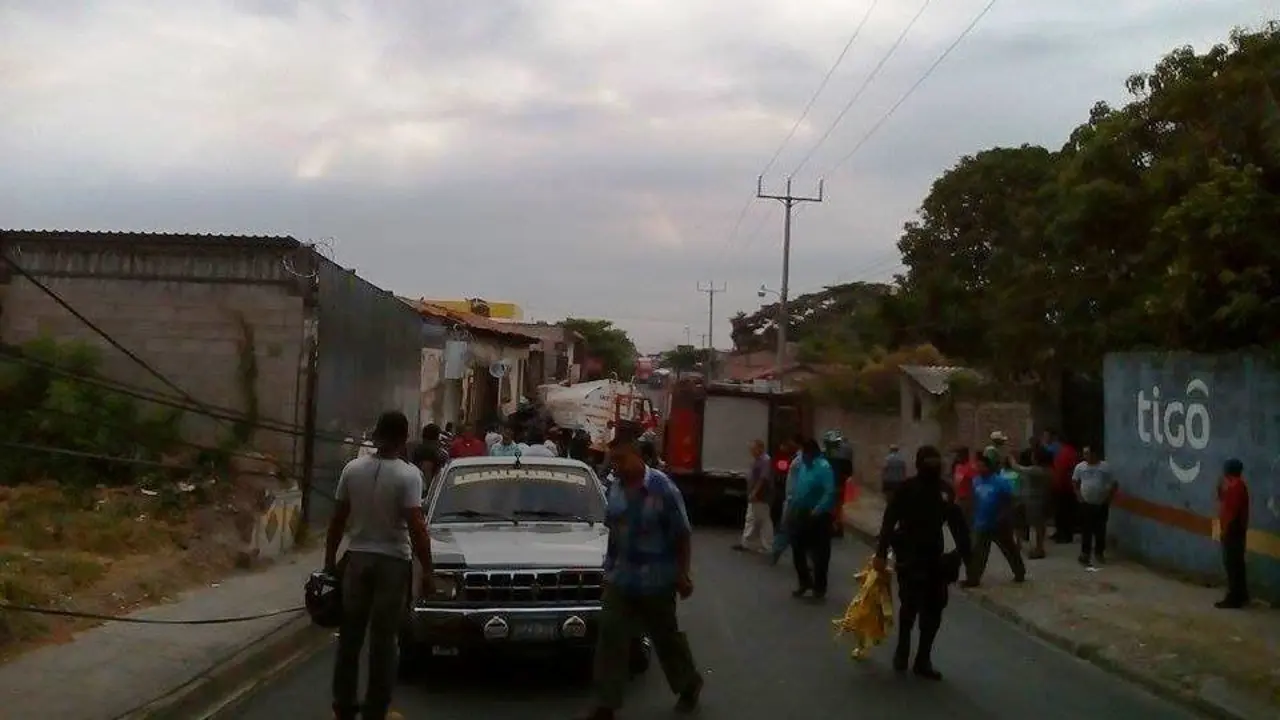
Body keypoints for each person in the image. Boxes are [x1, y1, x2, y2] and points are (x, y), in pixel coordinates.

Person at [578, 437, 703, 720]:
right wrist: (607, 571)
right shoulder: (615, 489)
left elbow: (682, 534)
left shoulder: (663, 488)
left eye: (621, 460)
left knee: (665, 638)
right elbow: (614, 534)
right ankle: (606, 703)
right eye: (614, 461)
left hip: (657, 581)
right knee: (611, 635)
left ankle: (689, 684)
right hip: (621, 578)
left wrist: (683, 574)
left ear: (638, 457)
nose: (616, 467)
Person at [325, 411, 432, 720]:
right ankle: (375, 709)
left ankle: (343, 705)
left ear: (376, 435)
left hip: (357, 559)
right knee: (384, 641)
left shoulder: (352, 469)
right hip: (393, 562)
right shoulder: (408, 475)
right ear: (403, 438)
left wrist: (329, 562)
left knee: (350, 637)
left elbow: (337, 520)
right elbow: (416, 527)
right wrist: (428, 570)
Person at [873, 445, 971, 680]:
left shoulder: (944, 491)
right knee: (909, 608)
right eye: (929, 463)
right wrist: (880, 552)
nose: (933, 467)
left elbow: (957, 524)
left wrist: (964, 554)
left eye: (936, 463)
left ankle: (923, 659)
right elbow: (889, 521)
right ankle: (902, 651)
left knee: (934, 610)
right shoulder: (906, 489)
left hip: (936, 559)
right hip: (910, 557)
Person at [962, 453, 1025, 587]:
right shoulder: (976, 481)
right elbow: (973, 500)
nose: (978, 468)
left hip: (999, 523)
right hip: (981, 522)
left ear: (988, 467)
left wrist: (1003, 516)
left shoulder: (1000, 481)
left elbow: (1010, 500)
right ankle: (973, 578)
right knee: (978, 552)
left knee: (1009, 549)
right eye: (977, 465)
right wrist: (970, 517)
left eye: (981, 466)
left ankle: (1019, 572)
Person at [788, 438, 837, 599]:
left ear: (811, 453)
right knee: (797, 547)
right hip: (801, 511)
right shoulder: (803, 466)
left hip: (819, 515)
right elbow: (799, 487)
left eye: (804, 452)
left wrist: (819, 509)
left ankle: (819, 587)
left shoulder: (823, 467)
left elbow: (829, 491)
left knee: (821, 553)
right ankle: (804, 581)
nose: (801, 455)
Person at [1073, 446, 1117, 567]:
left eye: (1088, 453)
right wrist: (1079, 496)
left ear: (1094, 454)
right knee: (1086, 529)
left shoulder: (1105, 467)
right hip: (1086, 503)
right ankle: (1085, 553)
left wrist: (1109, 498)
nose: (1086, 456)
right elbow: (1075, 482)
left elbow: (1114, 484)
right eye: (1084, 454)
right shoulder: (1080, 467)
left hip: (1101, 503)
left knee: (1100, 529)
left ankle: (1099, 552)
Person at [1216, 458, 1250, 609]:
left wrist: (1225, 530)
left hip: (1233, 530)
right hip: (1236, 530)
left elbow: (1231, 512)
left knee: (1232, 564)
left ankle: (1234, 597)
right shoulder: (1237, 486)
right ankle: (1241, 594)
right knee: (1237, 563)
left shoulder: (1236, 487)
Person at [733, 439, 774, 554]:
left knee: (763, 519)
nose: (751, 451)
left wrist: (755, 492)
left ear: (760, 448)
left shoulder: (765, 460)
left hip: (762, 495)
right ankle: (748, 542)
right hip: (757, 495)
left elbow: (763, 479)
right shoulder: (758, 460)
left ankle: (766, 545)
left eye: (753, 449)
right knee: (752, 518)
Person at [1014, 446, 1053, 559]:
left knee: (1037, 525)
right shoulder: (1046, 470)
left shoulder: (1037, 470)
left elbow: (1017, 468)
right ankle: (1036, 547)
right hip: (1036, 499)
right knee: (1037, 525)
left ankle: (1039, 548)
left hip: (1035, 500)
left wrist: (1011, 458)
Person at [1050, 435, 1080, 543]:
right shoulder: (1068, 452)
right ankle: (1061, 533)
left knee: (1064, 512)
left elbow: (1063, 470)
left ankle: (1065, 535)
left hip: (1064, 486)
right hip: (1064, 486)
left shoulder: (1066, 453)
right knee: (1063, 512)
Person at [410, 424, 448, 492]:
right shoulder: (431, 451)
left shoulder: (417, 449)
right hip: (429, 491)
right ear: (437, 437)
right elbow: (427, 471)